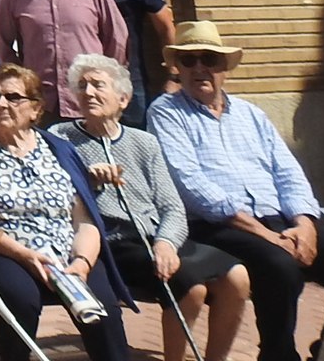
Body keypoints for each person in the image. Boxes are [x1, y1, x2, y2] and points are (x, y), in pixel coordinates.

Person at [146, 21, 324, 361]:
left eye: (208, 59)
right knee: (280, 266)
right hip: (219, 225)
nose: (199, 68)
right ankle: (277, 355)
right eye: (188, 60)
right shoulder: (166, 112)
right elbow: (191, 184)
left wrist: (304, 224)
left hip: (282, 219)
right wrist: (268, 236)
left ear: (224, 67)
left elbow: (288, 171)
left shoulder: (251, 114)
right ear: (178, 69)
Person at [51, 53, 249, 361]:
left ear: (123, 98)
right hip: (112, 241)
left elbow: (171, 206)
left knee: (237, 277)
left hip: (155, 236)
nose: (88, 92)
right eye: (82, 85)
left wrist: (166, 243)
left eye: (98, 85)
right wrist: (89, 181)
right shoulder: (62, 138)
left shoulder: (144, 142)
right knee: (191, 288)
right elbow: (54, 196)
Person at [0, 62, 132, 361]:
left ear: (35, 109)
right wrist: (25, 255)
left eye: (12, 97)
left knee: (103, 309)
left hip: (66, 251)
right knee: (20, 299)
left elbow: (85, 221)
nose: (1, 104)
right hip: (4, 249)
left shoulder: (58, 149)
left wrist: (82, 263)